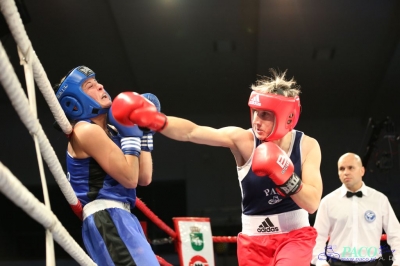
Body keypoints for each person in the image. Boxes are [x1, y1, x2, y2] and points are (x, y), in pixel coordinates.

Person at [110, 68, 323, 266]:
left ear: (288, 116)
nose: (257, 120)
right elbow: (192, 132)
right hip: (254, 241)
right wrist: (156, 120)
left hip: (295, 236)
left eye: (265, 114)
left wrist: (286, 176)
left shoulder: (307, 146)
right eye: (255, 112)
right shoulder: (244, 140)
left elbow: (312, 203)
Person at [54, 65, 160, 266]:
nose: (101, 86)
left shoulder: (113, 132)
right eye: (90, 86)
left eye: (98, 82)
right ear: (75, 101)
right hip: (107, 218)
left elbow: (143, 178)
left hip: (123, 217)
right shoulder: (85, 130)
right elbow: (129, 179)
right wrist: (131, 134)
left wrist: (144, 132)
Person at [311, 152, 400, 266]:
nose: (346, 172)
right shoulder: (328, 202)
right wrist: (320, 261)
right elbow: (318, 237)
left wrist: (398, 261)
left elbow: (395, 233)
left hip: (373, 263)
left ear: (362, 171)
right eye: (342, 169)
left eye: (351, 168)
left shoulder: (379, 200)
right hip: (337, 263)